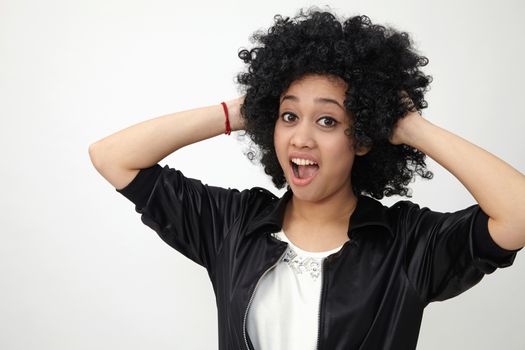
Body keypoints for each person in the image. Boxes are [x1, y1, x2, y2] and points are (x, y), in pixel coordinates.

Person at [88, 8, 525, 350]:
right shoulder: (232, 225)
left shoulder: (407, 246)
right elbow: (112, 157)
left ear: (363, 138)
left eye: (328, 121)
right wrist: (239, 111)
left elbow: (517, 214)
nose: (301, 137)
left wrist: (408, 125)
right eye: (289, 115)